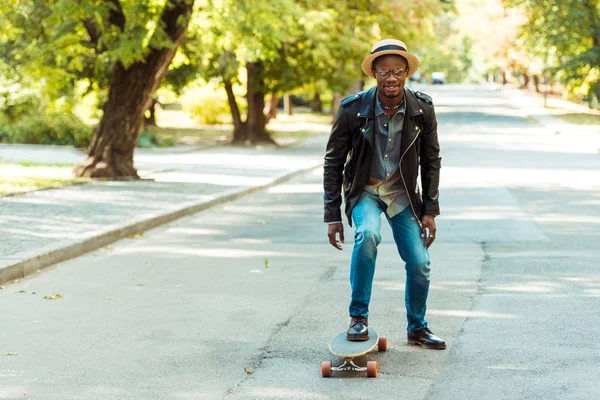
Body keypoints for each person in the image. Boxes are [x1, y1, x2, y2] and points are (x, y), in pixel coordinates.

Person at [323, 39, 445, 350]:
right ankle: (358, 318)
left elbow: (431, 160)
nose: (391, 78)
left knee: (420, 262)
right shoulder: (353, 109)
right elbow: (333, 160)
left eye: (398, 71)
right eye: (384, 72)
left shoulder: (422, 109)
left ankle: (417, 328)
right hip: (366, 190)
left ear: (407, 73)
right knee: (368, 235)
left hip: (402, 194)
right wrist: (332, 216)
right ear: (374, 73)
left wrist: (429, 209)